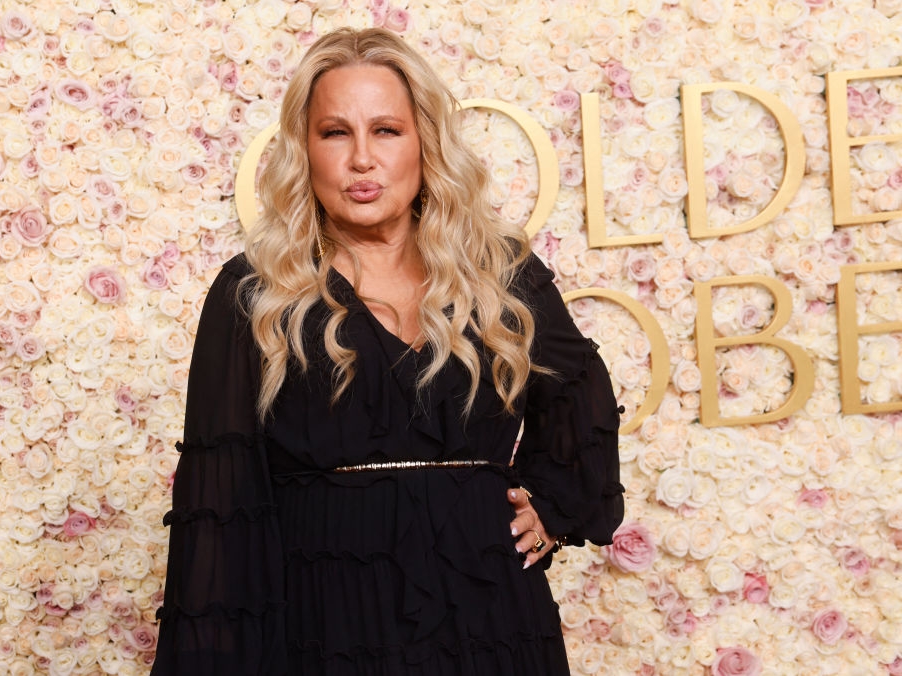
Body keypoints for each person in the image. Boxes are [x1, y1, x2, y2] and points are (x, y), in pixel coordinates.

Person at [151, 27, 624, 676]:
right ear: (304, 150)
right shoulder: (254, 294)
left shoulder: (499, 274)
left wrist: (554, 508)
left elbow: (579, 390)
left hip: (494, 620)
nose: (362, 160)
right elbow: (221, 508)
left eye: (387, 131)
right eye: (336, 132)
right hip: (324, 627)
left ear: (424, 144)